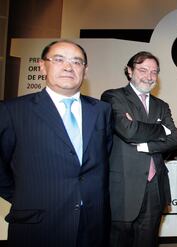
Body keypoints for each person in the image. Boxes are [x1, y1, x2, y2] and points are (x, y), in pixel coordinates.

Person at [0, 40, 112, 247]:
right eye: (59, 60)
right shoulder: (11, 111)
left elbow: (103, 159)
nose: (69, 67)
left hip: (92, 224)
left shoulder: (101, 110)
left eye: (77, 62)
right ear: (43, 65)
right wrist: (24, 196)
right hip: (38, 224)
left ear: (85, 71)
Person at [101, 51, 177, 247]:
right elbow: (127, 131)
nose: (149, 76)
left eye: (154, 72)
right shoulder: (113, 97)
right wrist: (161, 129)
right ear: (129, 71)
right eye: (143, 70)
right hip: (123, 189)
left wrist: (143, 143)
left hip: (155, 188)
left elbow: (174, 139)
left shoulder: (162, 105)